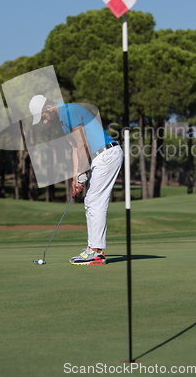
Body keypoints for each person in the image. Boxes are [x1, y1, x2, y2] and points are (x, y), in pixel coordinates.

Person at [29, 95, 123, 265]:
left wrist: (82, 173)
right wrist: (75, 177)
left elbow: (84, 145)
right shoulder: (63, 121)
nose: (43, 122)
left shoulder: (69, 112)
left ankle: (96, 252)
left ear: (49, 107)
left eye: (42, 117)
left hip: (106, 154)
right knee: (91, 201)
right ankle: (92, 249)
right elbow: (74, 148)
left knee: (94, 201)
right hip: (99, 157)